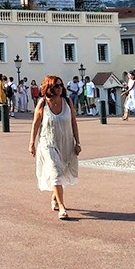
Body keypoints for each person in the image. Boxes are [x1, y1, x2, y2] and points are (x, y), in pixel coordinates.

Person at [29, 75, 81, 220]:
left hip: (65, 142)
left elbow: (74, 122)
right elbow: (35, 124)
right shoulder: (43, 103)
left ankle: (55, 197)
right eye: (56, 86)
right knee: (55, 171)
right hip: (48, 142)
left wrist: (78, 142)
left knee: (61, 171)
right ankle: (62, 207)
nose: (60, 88)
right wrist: (31, 144)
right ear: (49, 87)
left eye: (61, 85)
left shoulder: (67, 101)